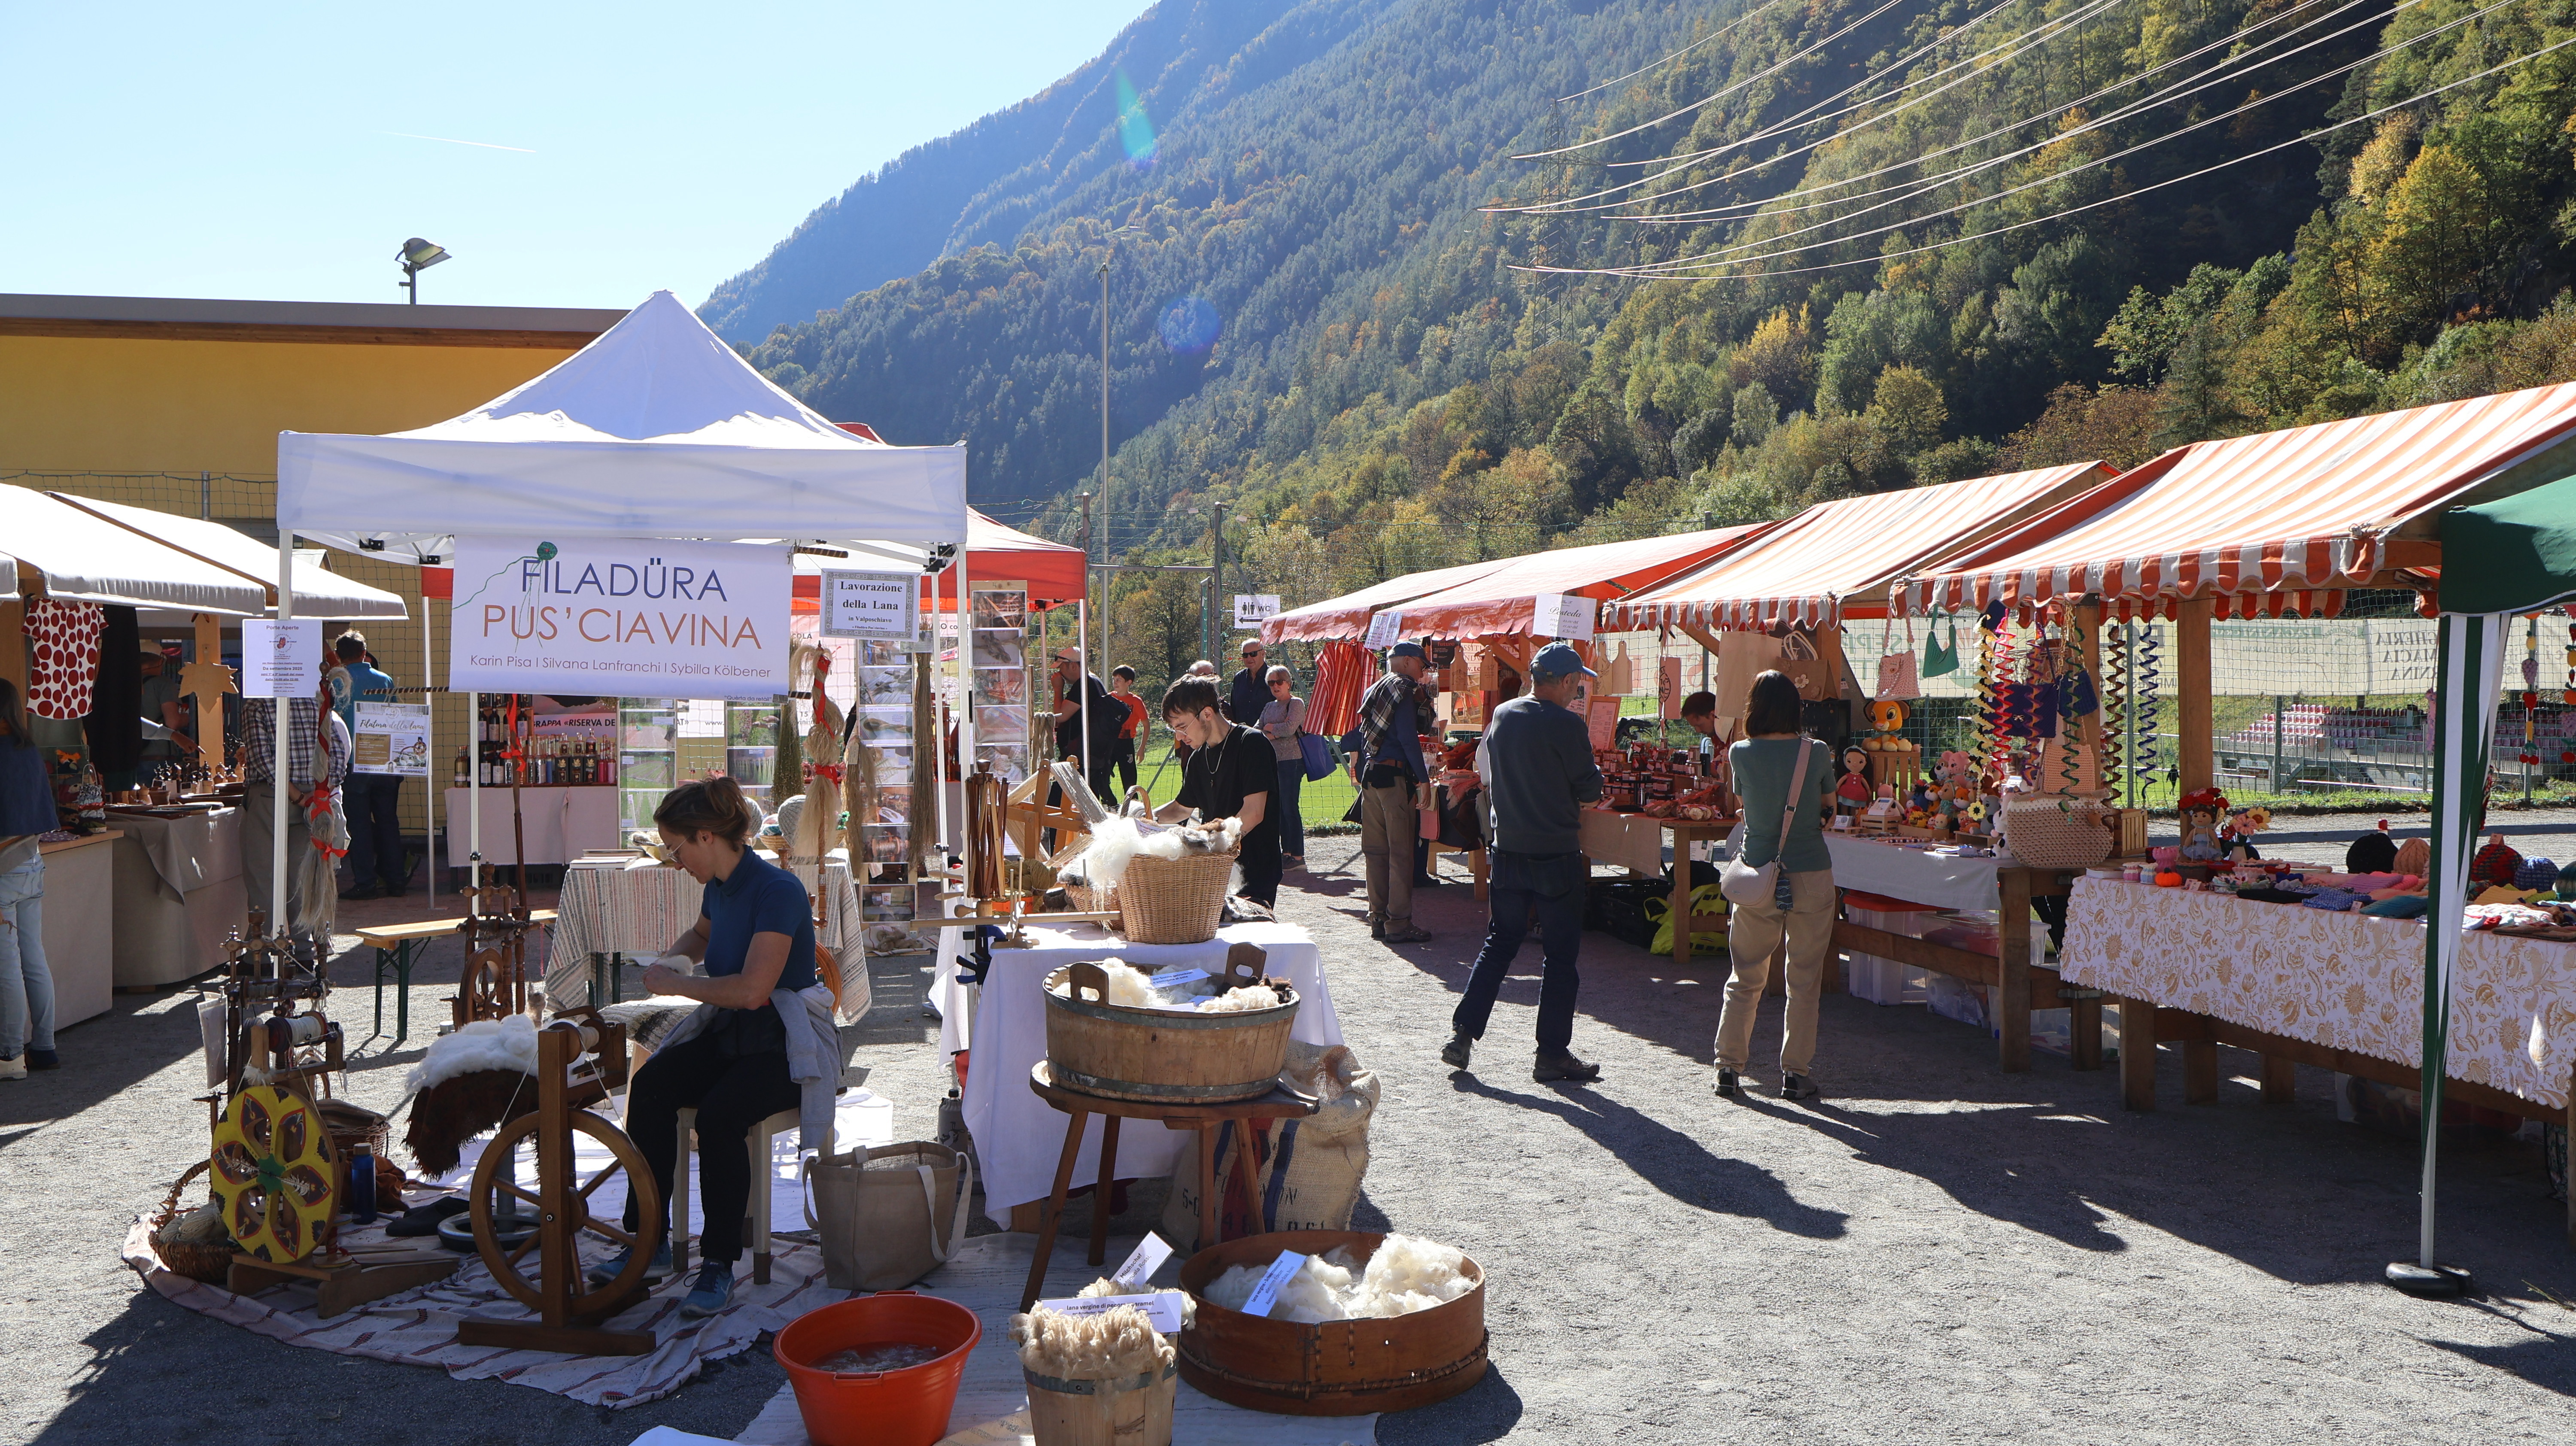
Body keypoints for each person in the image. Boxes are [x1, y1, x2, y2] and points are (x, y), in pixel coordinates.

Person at [599, 776, 836, 1318]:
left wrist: (679, 984)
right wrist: (673, 961)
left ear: (706, 837)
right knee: (654, 1085)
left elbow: (754, 991)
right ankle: (649, 1241)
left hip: (782, 1044)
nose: (675, 859)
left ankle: (718, 1263)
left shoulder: (777, 890)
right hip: (732, 1033)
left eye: (677, 848)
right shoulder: (718, 887)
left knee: (721, 1113)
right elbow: (703, 935)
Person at [1444, 643, 1604, 1082]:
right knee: (1560, 956)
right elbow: (1590, 791)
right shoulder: (1568, 725)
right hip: (1555, 851)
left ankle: (1463, 1033)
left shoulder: (1504, 714)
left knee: (1500, 943)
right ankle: (1551, 1052)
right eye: (1577, 682)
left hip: (1509, 849)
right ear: (1568, 682)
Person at [1713, 670, 1836, 1103]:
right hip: (1811, 874)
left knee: (1745, 975)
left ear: (1754, 707)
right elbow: (1829, 809)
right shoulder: (1817, 752)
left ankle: (1729, 1067)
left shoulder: (1740, 754)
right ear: (1795, 708)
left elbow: (1742, 805)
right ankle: (1795, 1072)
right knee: (1804, 979)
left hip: (1757, 874)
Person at [241, 685, 348, 954]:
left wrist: (299, 797)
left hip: (272, 797)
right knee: (303, 876)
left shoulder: (258, 701)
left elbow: (262, 758)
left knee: (263, 877)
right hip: (314, 797)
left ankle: (261, 951)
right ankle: (304, 947)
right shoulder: (317, 697)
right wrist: (317, 795)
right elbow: (337, 754)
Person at [1157, 677, 1282, 906]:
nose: (1179, 737)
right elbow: (1181, 809)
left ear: (1207, 714)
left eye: (1182, 727)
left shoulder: (1252, 743)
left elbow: (1253, 814)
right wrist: (1141, 819)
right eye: (1174, 729)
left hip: (1254, 874)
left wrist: (1206, 842)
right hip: (1215, 874)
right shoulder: (1197, 757)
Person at [1349, 641, 1434, 943]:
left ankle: (1379, 918)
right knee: (1400, 855)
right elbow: (1410, 739)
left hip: (1372, 777)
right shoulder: (1404, 689)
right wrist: (1423, 780)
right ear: (1408, 661)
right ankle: (1398, 924)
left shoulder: (1377, 686)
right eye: (1422, 664)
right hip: (1395, 777)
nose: (1423, 670)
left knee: (1375, 852)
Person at [0, 680, 57, 1079]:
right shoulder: (28, 750)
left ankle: (10, 1056)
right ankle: (44, 1046)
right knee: (34, 957)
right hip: (32, 863)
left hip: (4, 869)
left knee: (8, 964)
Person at [331, 632, 407, 899]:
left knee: (359, 825)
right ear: (365, 653)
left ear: (339, 656)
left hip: (353, 764)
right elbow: (396, 717)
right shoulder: (384, 679)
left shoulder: (336, 682)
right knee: (389, 822)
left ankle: (366, 883)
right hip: (385, 761)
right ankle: (396, 880)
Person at [1047, 647, 1120, 805]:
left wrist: (1058, 689)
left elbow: (1061, 716)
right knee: (1088, 803)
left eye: (1061, 668)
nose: (1060, 674)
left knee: (1056, 803)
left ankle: (1054, 830)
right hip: (1089, 754)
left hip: (1079, 756)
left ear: (1073, 666)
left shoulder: (1084, 684)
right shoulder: (1093, 681)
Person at [1257, 664, 1308, 869]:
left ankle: (1298, 856)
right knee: (1278, 809)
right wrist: (1272, 731)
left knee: (1290, 808)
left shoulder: (1296, 703)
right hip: (1273, 762)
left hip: (1292, 762)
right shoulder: (1269, 707)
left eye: (1279, 682)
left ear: (1288, 683)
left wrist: (1271, 731)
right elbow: (1257, 729)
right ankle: (1285, 852)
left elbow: (1290, 728)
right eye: (1271, 683)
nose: (1276, 686)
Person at [137, 647, 193, 787]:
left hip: (130, 758)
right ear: (161, 662)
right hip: (159, 758)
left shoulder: (122, 685)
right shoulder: (163, 684)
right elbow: (173, 722)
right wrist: (187, 718)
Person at [1108, 665, 1148, 794]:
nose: (1115, 683)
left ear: (1129, 682)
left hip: (1126, 743)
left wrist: (1142, 749)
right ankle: (1109, 803)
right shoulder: (1108, 699)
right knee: (1101, 775)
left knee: (1129, 780)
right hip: (1109, 743)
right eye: (1114, 679)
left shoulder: (1136, 701)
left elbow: (1146, 725)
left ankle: (1132, 807)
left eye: (1119, 680)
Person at [1227, 639, 1270, 725]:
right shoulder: (1239, 678)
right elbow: (1234, 709)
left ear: (1263, 654)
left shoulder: (1274, 677)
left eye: (1253, 654)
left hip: (1267, 734)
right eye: (1245, 655)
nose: (1249, 658)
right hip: (1243, 733)